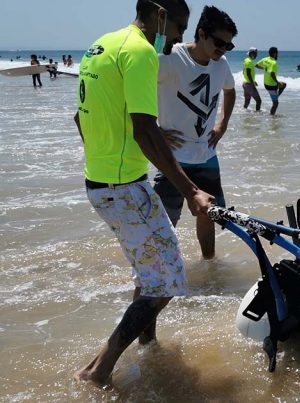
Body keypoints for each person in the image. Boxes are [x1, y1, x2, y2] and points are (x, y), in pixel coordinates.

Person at [72, 0, 213, 387]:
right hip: (125, 189)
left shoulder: (100, 46)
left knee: (150, 270)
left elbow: (81, 117)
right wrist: (191, 191)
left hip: (100, 184)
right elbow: (145, 129)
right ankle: (99, 368)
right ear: (159, 13)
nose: (181, 36)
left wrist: (107, 158)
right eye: (180, 25)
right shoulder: (141, 51)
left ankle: (148, 340)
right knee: (167, 281)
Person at [153, 5, 237, 261]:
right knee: (165, 222)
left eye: (229, 46)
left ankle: (209, 264)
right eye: (219, 43)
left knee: (207, 214)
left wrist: (222, 124)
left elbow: (230, 91)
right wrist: (154, 129)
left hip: (206, 154)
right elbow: (135, 90)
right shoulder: (169, 59)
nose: (223, 50)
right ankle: (159, 274)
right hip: (173, 157)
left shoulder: (220, 64)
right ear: (201, 33)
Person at [255, 47, 286, 115]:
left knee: (283, 84)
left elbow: (256, 65)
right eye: (277, 53)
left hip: (266, 83)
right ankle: (272, 116)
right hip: (272, 85)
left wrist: (264, 68)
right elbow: (272, 74)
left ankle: (275, 96)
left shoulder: (265, 59)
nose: (277, 54)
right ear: (275, 53)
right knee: (276, 103)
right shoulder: (273, 63)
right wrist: (277, 83)